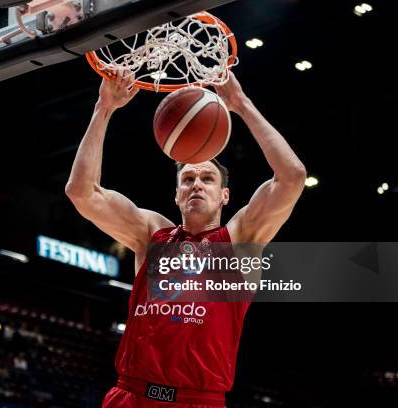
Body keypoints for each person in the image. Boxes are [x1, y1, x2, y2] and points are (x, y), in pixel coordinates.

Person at [65, 70, 306, 407]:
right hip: (130, 395)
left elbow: (292, 177)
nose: (196, 183)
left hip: (198, 400)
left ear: (224, 195)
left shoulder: (239, 240)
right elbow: (81, 192)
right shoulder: (152, 234)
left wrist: (240, 104)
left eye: (207, 178)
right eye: (187, 178)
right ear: (176, 194)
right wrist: (103, 108)